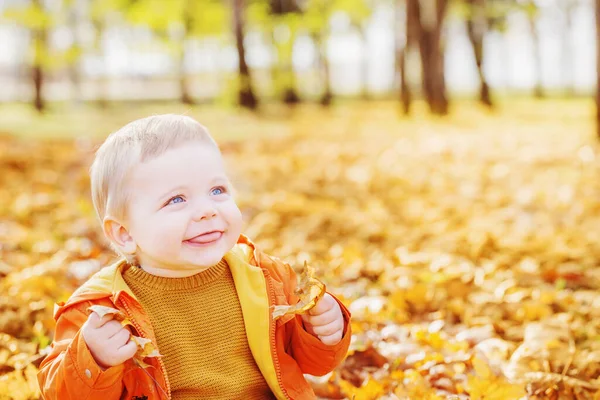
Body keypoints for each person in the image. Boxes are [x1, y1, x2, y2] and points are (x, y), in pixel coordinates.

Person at [36, 114, 351, 400]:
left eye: (217, 190)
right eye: (176, 199)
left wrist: (323, 331)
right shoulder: (100, 310)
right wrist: (93, 359)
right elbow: (59, 393)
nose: (207, 210)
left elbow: (314, 364)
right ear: (125, 234)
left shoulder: (266, 277)